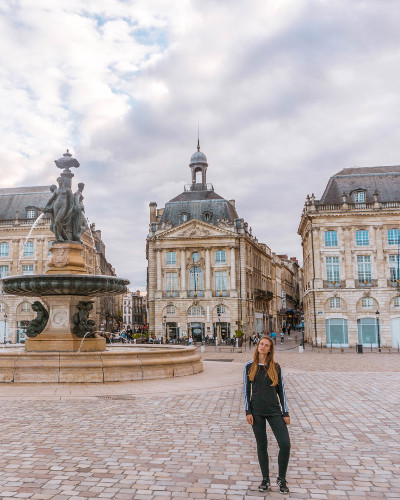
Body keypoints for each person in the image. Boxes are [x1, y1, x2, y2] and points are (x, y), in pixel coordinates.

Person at [243, 336, 291, 494]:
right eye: (261, 344)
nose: (262, 347)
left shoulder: (276, 367)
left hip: (274, 411)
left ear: (270, 349)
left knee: (285, 444)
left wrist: (285, 412)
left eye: (266, 345)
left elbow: (281, 391)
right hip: (256, 412)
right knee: (262, 445)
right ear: (257, 346)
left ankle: (281, 479)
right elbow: (246, 391)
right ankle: (265, 479)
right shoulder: (249, 366)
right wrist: (248, 411)